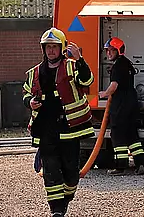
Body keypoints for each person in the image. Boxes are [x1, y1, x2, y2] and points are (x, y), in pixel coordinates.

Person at [23, 28, 94, 217]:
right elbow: (26, 93)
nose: (51, 51)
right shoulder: (35, 73)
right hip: (46, 129)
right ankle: (56, 210)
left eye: (54, 47)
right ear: (43, 49)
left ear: (61, 48)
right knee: (51, 170)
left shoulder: (72, 66)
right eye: (48, 47)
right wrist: (29, 102)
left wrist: (80, 60)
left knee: (71, 172)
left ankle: (65, 200)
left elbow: (87, 80)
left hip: (70, 128)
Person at [98, 37, 144, 176]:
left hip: (121, 104)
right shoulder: (127, 64)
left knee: (117, 134)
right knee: (132, 134)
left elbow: (114, 86)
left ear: (118, 51)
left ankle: (120, 167)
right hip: (132, 103)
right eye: (107, 51)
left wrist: (104, 94)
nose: (108, 54)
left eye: (111, 51)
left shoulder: (118, 66)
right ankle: (140, 163)